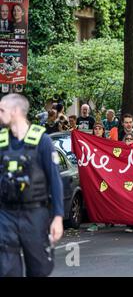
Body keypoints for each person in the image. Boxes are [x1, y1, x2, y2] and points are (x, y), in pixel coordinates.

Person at [0, 94, 64, 277]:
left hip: (35, 214)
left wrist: (58, 217)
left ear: (15, 111)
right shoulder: (1, 141)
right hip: (6, 215)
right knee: (6, 270)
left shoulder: (42, 141)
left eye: (2, 110)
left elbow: (54, 180)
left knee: (39, 269)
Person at [87, 122, 107, 232]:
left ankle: (108, 219)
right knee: (94, 197)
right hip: (93, 173)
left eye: (100, 128)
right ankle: (94, 222)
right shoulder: (88, 141)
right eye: (95, 128)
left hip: (106, 174)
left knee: (106, 197)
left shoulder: (108, 143)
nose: (98, 130)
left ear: (103, 130)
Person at [122, 132, 133, 233]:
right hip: (126, 180)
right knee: (128, 202)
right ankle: (130, 224)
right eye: (127, 139)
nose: (129, 141)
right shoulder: (120, 151)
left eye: (131, 139)